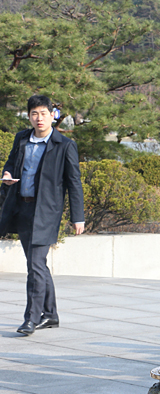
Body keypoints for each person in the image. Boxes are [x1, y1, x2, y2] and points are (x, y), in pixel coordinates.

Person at [0, 95, 84, 335]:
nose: (39, 118)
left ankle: (31, 318)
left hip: (46, 212)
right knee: (37, 265)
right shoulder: (21, 139)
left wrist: (78, 217)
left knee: (35, 265)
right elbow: (10, 164)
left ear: (52, 115)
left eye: (43, 114)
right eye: (34, 114)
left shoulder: (64, 145)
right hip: (20, 207)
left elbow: (74, 183)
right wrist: (7, 175)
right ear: (29, 116)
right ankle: (51, 315)